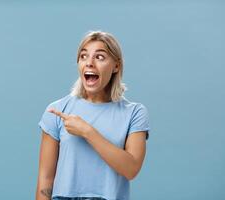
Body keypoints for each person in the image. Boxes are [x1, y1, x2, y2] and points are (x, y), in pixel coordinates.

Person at [35, 31, 150, 200]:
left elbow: (131, 169)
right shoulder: (57, 110)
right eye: (83, 56)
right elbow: (45, 179)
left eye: (100, 57)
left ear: (116, 66)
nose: (89, 63)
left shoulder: (134, 113)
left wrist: (87, 132)